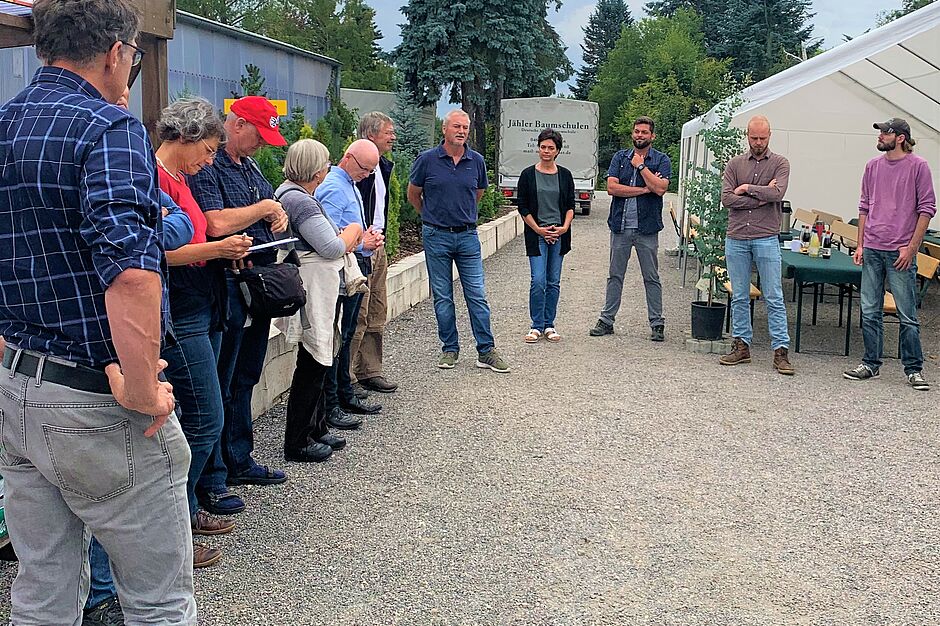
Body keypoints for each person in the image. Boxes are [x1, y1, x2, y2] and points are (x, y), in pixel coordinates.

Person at [0, 0, 195, 622]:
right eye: (133, 57)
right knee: (158, 602)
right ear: (115, 53)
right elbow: (131, 272)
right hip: (96, 395)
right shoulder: (109, 129)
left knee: (42, 593)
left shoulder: (4, 122)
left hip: (18, 387)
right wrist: (142, 387)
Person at [157, 98, 261, 564]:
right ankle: (172, 528)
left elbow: (194, 237)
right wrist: (218, 250)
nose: (210, 160)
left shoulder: (180, 179)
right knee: (205, 418)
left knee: (201, 415)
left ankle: (186, 511)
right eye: (209, 149)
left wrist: (223, 250)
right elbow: (156, 253)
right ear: (187, 135)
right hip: (181, 310)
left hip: (203, 303)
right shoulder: (156, 177)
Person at [189, 95, 291, 506]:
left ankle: (238, 457)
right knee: (220, 380)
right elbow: (214, 223)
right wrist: (264, 208)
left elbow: (268, 208)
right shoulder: (209, 166)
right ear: (237, 125)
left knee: (245, 374)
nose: (262, 145)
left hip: (255, 283)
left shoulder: (249, 167)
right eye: (259, 135)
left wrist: (276, 213)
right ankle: (212, 478)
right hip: (226, 283)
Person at [276, 139, 364, 462]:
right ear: (316, 172)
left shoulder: (292, 195)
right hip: (314, 289)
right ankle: (299, 439)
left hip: (317, 286)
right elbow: (330, 247)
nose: (328, 169)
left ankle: (316, 427)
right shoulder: (301, 201)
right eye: (325, 164)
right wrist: (353, 231)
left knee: (319, 358)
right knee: (313, 361)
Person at [408, 110, 509, 373]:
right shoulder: (427, 160)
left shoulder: (476, 161)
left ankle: (486, 351)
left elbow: (478, 192)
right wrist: (430, 216)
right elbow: (414, 194)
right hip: (436, 236)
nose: (461, 131)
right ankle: (450, 349)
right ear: (445, 129)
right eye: (456, 126)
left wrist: (462, 213)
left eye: (465, 127)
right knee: (443, 296)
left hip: (467, 236)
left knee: (477, 294)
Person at [843, 118, 935, 390]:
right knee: (869, 310)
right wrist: (860, 244)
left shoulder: (918, 166)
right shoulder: (872, 166)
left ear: (901, 138)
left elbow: (927, 209)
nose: (880, 136)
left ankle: (914, 369)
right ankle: (870, 363)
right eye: (881, 132)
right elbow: (863, 207)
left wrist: (912, 247)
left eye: (886, 132)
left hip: (900, 252)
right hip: (872, 247)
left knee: (907, 314)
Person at [315, 139, 384, 426]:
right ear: (348, 158)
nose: (366, 175)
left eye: (371, 171)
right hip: (341, 271)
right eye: (364, 168)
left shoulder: (349, 183)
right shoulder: (333, 186)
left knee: (347, 333)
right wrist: (362, 243)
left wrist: (368, 238)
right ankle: (332, 402)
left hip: (354, 265)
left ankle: (344, 392)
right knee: (338, 338)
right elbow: (328, 236)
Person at [718, 115, 793, 375]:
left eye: (762, 138)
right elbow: (727, 199)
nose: (758, 142)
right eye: (754, 138)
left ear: (769, 136)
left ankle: (780, 350)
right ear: (747, 136)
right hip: (737, 236)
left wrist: (747, 187)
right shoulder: (734, 164)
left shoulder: (780, 163)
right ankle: (741, 345)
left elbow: (778, 194)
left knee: (774, 295)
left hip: (766, 236)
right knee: (739, 295)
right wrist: (761, 197)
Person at [589, 116, 670, 342]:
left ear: (652, 136)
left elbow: (661, 189)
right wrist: (645, 189)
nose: (640, 135)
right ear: (632, 133)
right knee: (615, 275)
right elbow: (612, 188)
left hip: (647, 228)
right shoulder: (619, 157)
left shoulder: (661, 160)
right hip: (621, 226)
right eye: (637, 131)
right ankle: (606, 320)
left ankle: (657, 323)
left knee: (651, 277)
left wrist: (641, 166)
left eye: (644, 132)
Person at [351, 112, 399, 394]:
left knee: (377, 311)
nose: (393, 137)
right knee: (359, 314)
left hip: (378, 246)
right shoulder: (360, 169)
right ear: (371, 134)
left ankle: (370, 370)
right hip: (361, 248)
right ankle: (348, 377)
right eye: (388, 132)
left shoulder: (382, 166)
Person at [517, 128, 575, 343]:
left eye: (551, 148)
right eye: (543, 147)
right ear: (538, 148)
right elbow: (523, 207)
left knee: (553, 282)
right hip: (537, 234)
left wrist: (564, 228)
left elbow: (570, 205)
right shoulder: (527, 175)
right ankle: (536, 325)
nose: (546, 151)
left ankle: (549, 324)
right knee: (538, 280)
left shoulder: (565, 175)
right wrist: (538, 230)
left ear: (558, 150)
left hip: (559, 234)